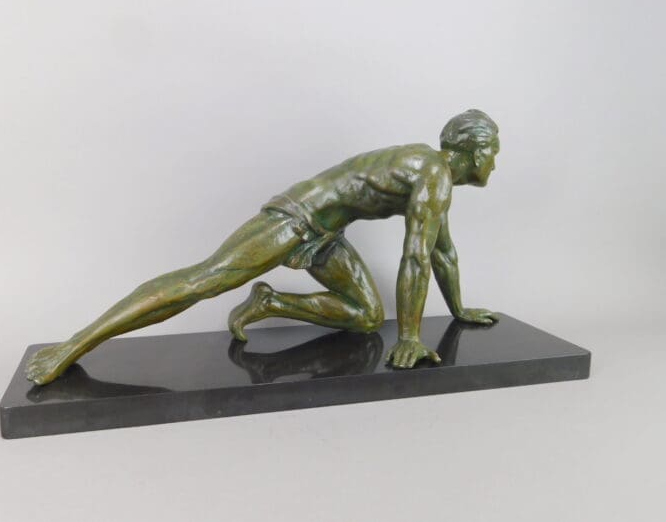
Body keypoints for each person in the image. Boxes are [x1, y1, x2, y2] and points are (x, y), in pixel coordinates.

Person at [26, 109, 501, 385]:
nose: (494, 164)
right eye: (493, 153)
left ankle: (269, 302)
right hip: (295, 217)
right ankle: (73, 345)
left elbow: (441, 252)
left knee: (366, 316)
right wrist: (411, 338)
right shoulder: (433, 173)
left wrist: (459, 311)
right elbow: (415, 256)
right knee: (203, 280)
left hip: (326, 234)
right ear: (475, 151)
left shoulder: (433, 174)